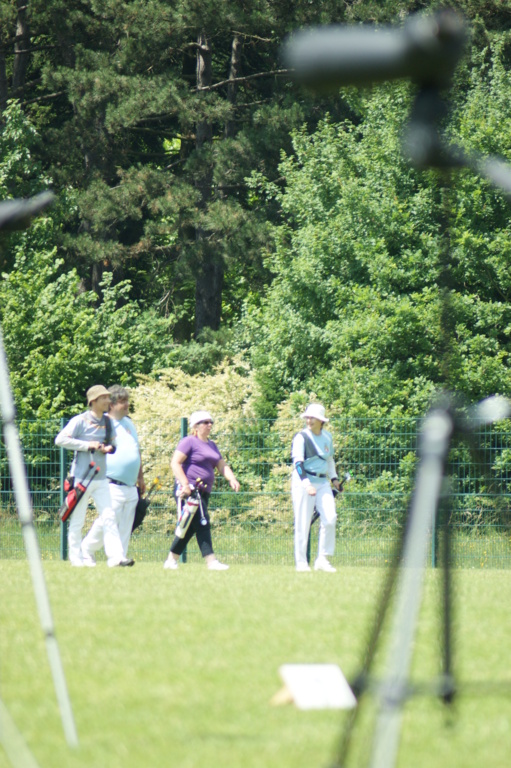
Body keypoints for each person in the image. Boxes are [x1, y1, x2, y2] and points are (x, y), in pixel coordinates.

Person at [55, 385, 134, 568]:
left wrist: (108, 448)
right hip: (81, 479)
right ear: (93, 401)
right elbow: (60, 440)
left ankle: (116, 558)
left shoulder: (107, 422)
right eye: (104, 398)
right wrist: (87, 445)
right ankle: (76, 559)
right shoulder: (79, 420)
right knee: (78, 519)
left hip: (101, 479)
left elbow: (113, 444)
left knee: (109, 516)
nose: (108, 401)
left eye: (108, 397)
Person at [163, 410, 240, 571]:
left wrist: (232, 479)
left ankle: (171, 560)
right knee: (202, 522)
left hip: (204, 491)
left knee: (189, 527)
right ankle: (211, 561)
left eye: (211, 422)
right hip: (190, 490)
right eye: (206, 422)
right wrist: (185, 484)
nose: (210, 425)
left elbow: (221, 465)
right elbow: (175, 463)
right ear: (196, 426)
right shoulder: (189, 442)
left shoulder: (212, 445)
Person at [81, 385, 145, 562]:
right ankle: (87, 548)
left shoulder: (129, 423)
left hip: (130, 485)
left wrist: (140, 477)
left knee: (125, 524)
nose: (127, 404)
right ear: (112, 405)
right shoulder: (103, 424)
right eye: (123, 401)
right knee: (108, 520)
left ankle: (119, 558)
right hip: (110, 483)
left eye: (127, 400)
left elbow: (136, 451)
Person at [291, 403, 340, 572]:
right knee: (303, 523)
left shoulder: (327, 437)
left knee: (330, 518)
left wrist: (334, 479)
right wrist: (307, 484)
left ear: (321, 421)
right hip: (303, 483)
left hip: (323, 482)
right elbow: (298, 464)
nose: (309, 420)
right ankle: (301, 563)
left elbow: (329, 460)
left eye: (312, 418)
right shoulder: (301, 437)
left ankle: (322, 559)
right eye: (307, 417)